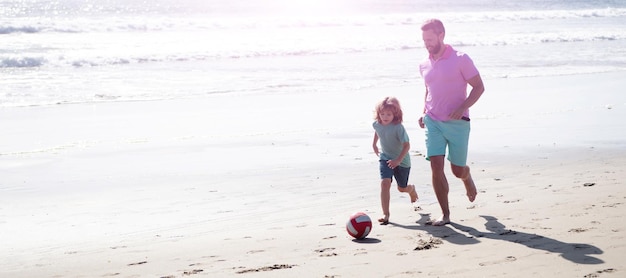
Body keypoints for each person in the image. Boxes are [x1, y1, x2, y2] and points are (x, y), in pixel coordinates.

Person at [417, 19, 485, 226]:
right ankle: (445, 215)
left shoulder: (461, 59)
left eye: (429, 39)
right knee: (436, 167)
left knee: (457, 170)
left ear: (441, 35)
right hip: (433, 121)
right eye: (424, 40)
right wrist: (423, 112)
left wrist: (462, 107)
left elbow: (479, 87)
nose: (426, 43)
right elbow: (429, 90)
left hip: (458, 124)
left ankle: (466, 176)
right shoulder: (424, 64)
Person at [372, 96, 419, 225]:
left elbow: (407, 146)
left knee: (402, 188)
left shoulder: (398, 127)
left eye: (388, 114)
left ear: (395, 114)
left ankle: (411, 189)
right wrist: (374, 144)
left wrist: (398, 160)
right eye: (382, 114)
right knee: (385, 183)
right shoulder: (377, 124)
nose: (385, 117)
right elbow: (378, 131)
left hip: (402, 161)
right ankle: (386, 214)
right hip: (385, 158)